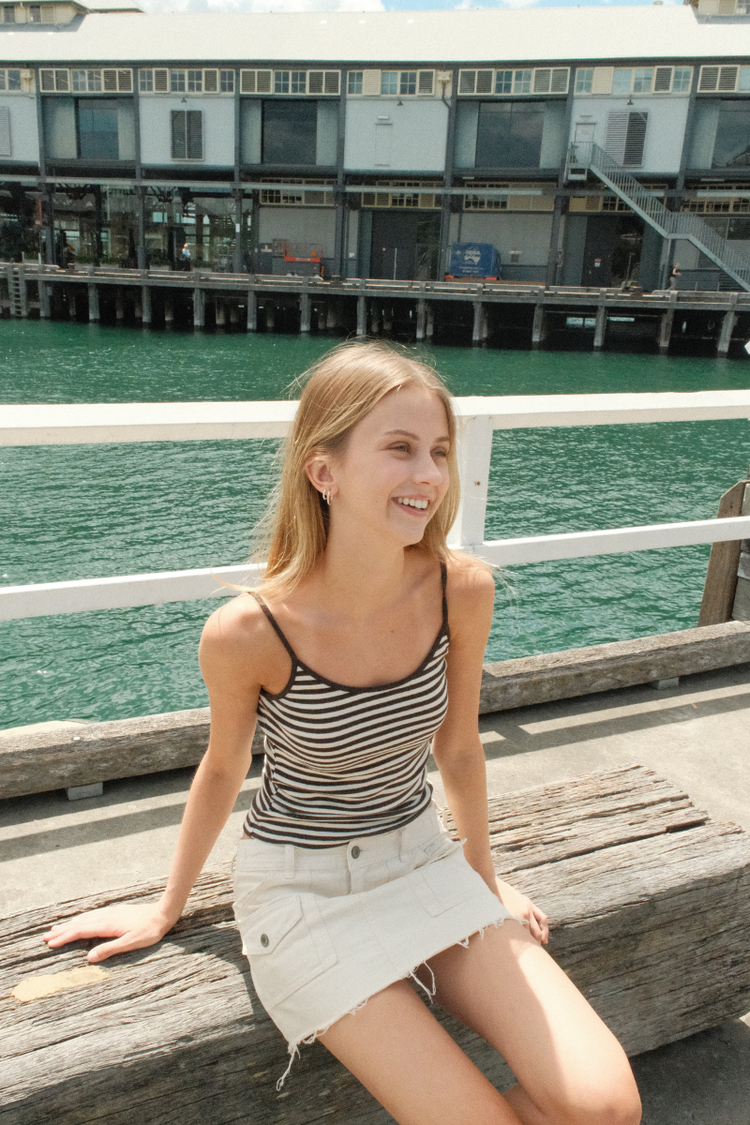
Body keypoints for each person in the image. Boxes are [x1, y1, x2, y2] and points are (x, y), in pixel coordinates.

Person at [43, 343, 641, 1125]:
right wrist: (167, 907)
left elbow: (457, 746)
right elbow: (222, 769)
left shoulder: (461, 589)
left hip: (421, 857)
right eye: (399, 449)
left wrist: (483, 878)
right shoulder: (248, 631)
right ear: (324, 471)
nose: (428, 474)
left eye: (438, 451)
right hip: (302, 893)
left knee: (607, 1106)